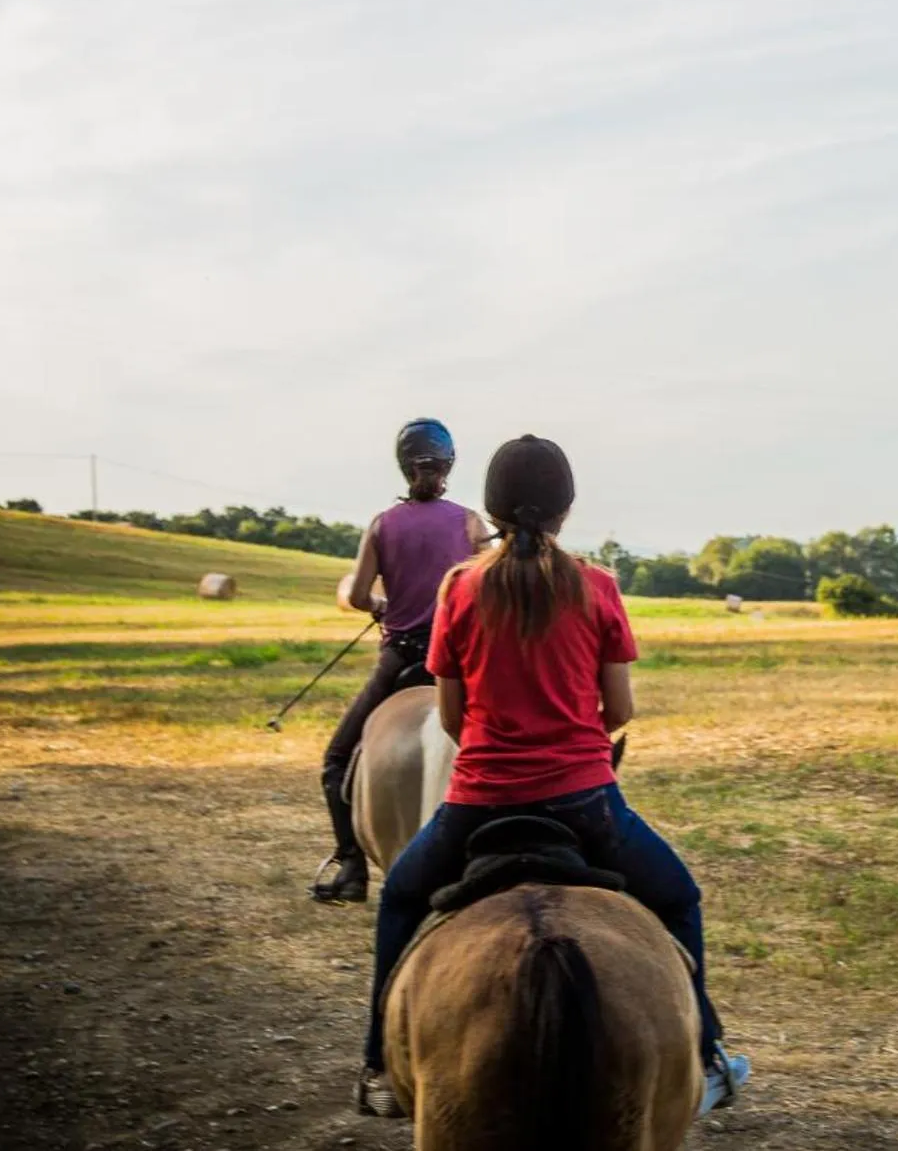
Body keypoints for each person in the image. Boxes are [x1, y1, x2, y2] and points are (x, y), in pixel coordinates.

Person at [355, 434, 749, 1119]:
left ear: (493, 510)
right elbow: (619, 710)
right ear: (566, 511)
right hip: (587, 805)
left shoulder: (460, 586)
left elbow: (451, 715)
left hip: (477, 805)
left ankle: (378, 1071)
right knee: (679, 897)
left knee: (400, 900)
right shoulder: (596, 585)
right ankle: (709, 1057)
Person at [311, 417, 489, 904]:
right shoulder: (473, 524)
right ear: (449, 464)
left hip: (402, 659)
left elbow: (361, 595)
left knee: (336, 761)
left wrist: (383, 607)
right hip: (459, 663)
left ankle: (351, 867)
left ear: (403, 465)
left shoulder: (382, 525)